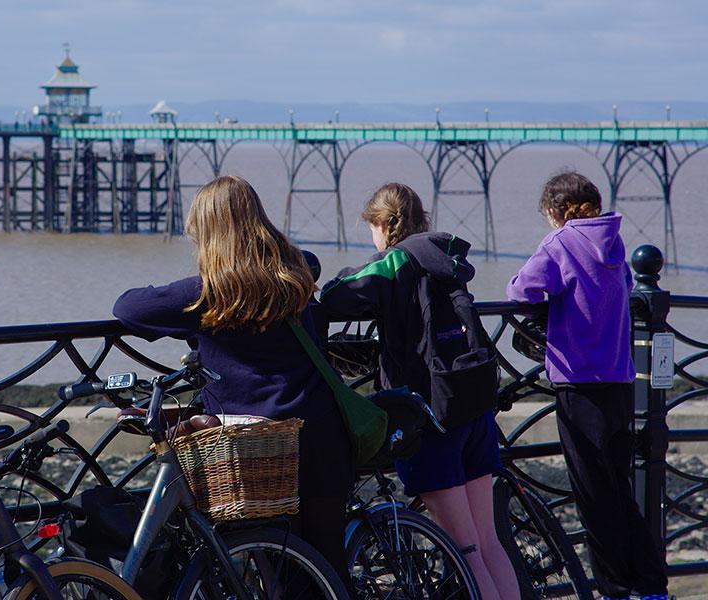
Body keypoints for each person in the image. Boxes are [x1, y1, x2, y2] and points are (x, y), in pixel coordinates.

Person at [112, 175, 354, 589]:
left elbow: (128, 308)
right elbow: (311, 260)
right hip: (325, 435)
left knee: (276, 570)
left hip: (259, 450)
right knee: (326, 568)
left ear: (208, 234)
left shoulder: (210, 293)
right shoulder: (293, 276)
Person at [320, 183, 520, 600]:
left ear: (382, 223)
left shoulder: (395, 261)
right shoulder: (446, 254)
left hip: (429, 413)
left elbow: (336, 296)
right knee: (488, 544)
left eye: (372, 227)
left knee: (464, 553)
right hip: (472, 404)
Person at [506, 171, 669, 600]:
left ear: (554, 212)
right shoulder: (615, 243)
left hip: (579, 387)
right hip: (619, 382)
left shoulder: (560, 243)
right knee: (620, 491)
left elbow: (522, 290)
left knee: (595, 501)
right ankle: (651, 585)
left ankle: (614, 590)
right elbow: (627, 288)